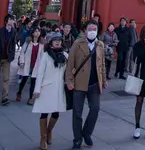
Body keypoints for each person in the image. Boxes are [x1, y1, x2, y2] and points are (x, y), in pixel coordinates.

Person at [65, 19, 106, 149]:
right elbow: (70, 63)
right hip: (79, 83)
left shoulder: (100, 45)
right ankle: (77, 139)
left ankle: (87, 133)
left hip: (94, 83)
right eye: (90, 29)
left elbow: (102, 64)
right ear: (85, 31)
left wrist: (103, 80)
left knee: (95, 109)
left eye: (95, 29)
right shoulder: (78, 44)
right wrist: (69, 81)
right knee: (77, 112)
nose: (92, 32)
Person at [32, 32, 68, 150]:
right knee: (44, 112)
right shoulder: (46, 55)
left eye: (59, 40)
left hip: (59, 88)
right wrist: (37, 89)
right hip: (46, 88)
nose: (57, 42)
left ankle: (49, 131)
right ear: (51, 42)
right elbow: (40, 73)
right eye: (55, 40)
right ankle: (43, 137)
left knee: (56, 113)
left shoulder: (65, 55)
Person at [0, 14, 16, 106]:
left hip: (7, 58)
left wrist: (12, 55)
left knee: (6, 78)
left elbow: (13, 44)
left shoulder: (13, 31)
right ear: (5, 21)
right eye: (10, 19)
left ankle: (5, 97)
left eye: (12, 19)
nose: (11, 21)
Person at [17, 25, 44, 105]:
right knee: (24, 79)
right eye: (35, 31)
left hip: (36, 65)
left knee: (33, 81)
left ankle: (30, 98)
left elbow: (43, 55)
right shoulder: (28, 42)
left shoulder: (42, 43)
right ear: (32, 33)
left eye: (38, 31)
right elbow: (22, 52)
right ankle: (19, 92)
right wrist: (22, 61)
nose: (37, 33)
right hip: (27, 64)